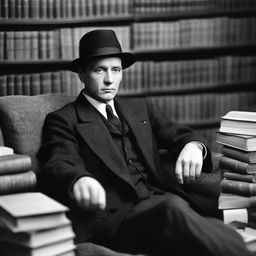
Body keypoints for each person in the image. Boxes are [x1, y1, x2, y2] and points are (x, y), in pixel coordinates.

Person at [38, 29, 253, 256]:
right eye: (99, 70)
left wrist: (193, 146)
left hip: (165, 198)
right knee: (173, 210)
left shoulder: (140, 108)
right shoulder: (64, 119)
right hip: (118, 219)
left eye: (116, 70)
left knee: (220, 216)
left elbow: (179, 134)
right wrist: (78, 179)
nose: (110, 79)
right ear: (82, 74)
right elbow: (58, 162)